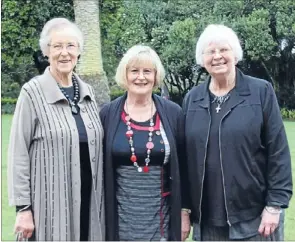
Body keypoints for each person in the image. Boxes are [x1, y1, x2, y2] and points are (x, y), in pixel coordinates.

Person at [183, 24, 293, 241]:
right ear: (202, 58)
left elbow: (278, 151)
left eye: (223, 49)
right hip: (207, 222)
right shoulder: (192, 99)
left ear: (235, 53)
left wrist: (274, 206)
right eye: (210, 51)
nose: (217, 56)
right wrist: (184, 210)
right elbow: (185, 160)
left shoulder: (260, 92)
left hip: (255, 218)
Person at [7, 17, 105, 241]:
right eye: (57, 46)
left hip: (90, 204)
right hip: (49, 206)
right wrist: (23, 209)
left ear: (78, 51)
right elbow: (18, 153)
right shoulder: (32, 92)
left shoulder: (88, 93)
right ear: (46, 51)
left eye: (70, 46)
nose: (64, 53)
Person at [99, 44, 191, 241]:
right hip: (120, 219)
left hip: (162, 220)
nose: (141, 77)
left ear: (155, 76)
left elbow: (184, 166)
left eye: (147, 71)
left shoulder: (173, 113)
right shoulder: (108, 114)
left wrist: (184, 212)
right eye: (134, 71)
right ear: (125, 75)